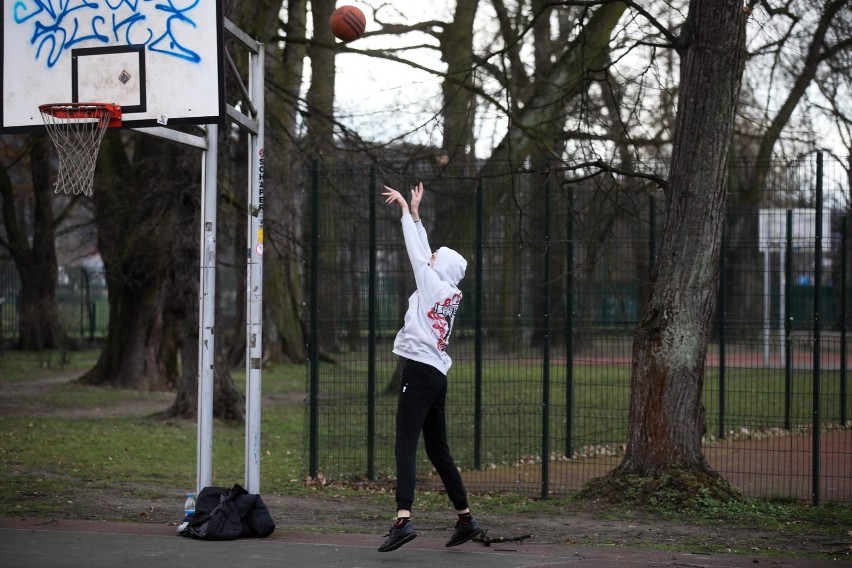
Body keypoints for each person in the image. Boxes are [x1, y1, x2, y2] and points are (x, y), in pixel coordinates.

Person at [378, 182, 483, 553]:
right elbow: (424, 253)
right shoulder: (448, 290)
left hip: (420, 372)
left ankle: (403, 520)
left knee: (405, 446)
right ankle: (466, 519)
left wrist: (406, 212)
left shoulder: (430, 283)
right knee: (438, 450)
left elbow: (415, 253)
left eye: (436, 255)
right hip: (438, 374)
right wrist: (418, 216)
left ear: (440, 267)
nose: (431, 254)